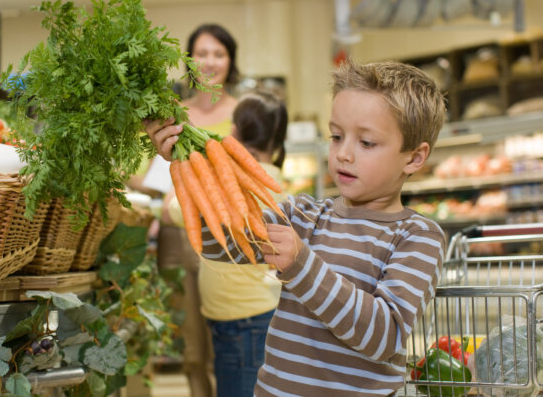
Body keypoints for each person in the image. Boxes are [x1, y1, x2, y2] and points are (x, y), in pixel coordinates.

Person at [145, 59, 447, 396]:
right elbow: (220, 244)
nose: (343, 154)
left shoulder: (417, 237)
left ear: (414, 157)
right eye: (336, 136)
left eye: (366, 143)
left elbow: (383, 337)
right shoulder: (303, 215)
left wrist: (301, 264)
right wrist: (188, 166)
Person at [167, 91, 288, 397]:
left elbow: (175, 211)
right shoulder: (279, 184)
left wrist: (179, 173)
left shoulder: (225, 182)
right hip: (259, 312)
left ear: (233, 132)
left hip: (241, 323)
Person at [156, 23, 239, 397]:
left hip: (225, 233)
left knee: (226, 339)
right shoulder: (173, 115)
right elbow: (143, 174)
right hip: (177, 234)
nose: (209, 62)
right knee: (190, 347)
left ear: (231, 60)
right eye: (201, 54)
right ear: (188, 61)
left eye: (218, 53)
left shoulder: (242, 112)